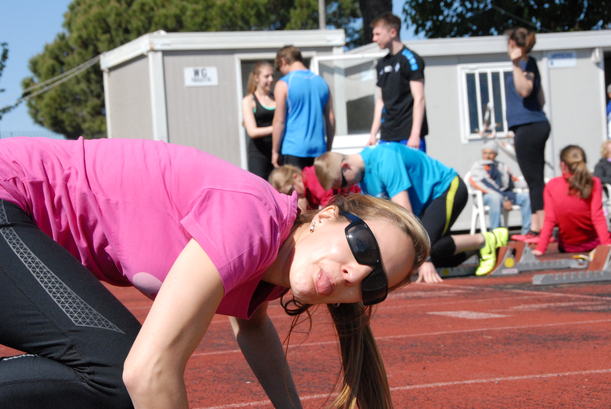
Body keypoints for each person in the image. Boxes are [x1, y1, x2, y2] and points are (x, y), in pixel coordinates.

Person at [0, 136, 430, 409]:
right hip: (8, 193)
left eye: (373, 283)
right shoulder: (253, 220)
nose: (355, 274)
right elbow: (147, 371)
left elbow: (253, 327)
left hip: (16, 224)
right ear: (327, 215)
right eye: (363, 245)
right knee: (118, 371)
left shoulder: (267, 268)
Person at [315, 144, 509, 283]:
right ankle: (475, 248)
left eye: (343, 184)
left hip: (447, 189)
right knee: (418, 253)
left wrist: (425, 258)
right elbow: (383, 219)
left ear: (346, 167)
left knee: (423, 248)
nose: (346, 189)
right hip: (425, 204)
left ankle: (486, 240)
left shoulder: (385, 159)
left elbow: (405, 212)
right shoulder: (364, 178)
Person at [504, 27, 551, 243]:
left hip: (529, 126)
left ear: (513, 44)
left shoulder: (525, 64)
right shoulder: (530, 64)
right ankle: (538, 227)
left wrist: (515, 65)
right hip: (532, 124)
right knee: (535, 179)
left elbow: (525, 91)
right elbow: (541, 99)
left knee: (533, 180)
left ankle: (540, 229)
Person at [533, 145, 610, 256]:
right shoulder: (594, 182)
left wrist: (540, 248)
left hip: (568, 247)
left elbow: (550, 219)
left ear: (562, 165)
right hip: (594, 245)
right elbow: (597, 217)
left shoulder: (551, 185)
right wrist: (606, 245)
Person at [368, 13, 428, 152]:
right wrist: (373, 134)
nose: (374, 39)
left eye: (377, 34)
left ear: (393, 33)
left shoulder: (411, 60)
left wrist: (415, 135)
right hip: (388, 135)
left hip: (408, 135)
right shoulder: (381, 64)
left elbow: (419, 98)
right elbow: (381, 101)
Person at [271, 45, 335, 169]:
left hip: (293, 149)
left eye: (279, 67)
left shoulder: (284, 84)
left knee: (294, 183)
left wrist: (275, 151)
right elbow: (330, 118)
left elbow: (279, 121)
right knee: (316, 183)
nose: (281, 71)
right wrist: (329, 146)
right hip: (319, 149)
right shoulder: (322, 82)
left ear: (283, 61)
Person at [468, 141, 531, 235]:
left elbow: (513, 181)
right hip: (485, 196)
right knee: (495, 198)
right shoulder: (478, 166)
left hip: (505, 195)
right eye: (485, 153)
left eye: (491, 153)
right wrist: (504, 199)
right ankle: (496, 233)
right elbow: (485, 186)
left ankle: (527, 232)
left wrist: (532, 184)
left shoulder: (502, 166)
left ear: (496, 154)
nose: (487, 156)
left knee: (526, 197)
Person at [268, 164, 361, 211]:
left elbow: (330, 206)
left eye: (291, 191)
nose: (293, 195)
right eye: (288, 195)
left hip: (353, 198)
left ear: (296, 177)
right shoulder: (304, 191)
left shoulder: (313, 180)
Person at [241, 61, 276, 180]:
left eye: (272, 75)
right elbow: (252, 132)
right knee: (260, 186)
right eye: (266, 76)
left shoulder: (277, 97)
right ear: (256, 78)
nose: (271, 79)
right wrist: (277, 128)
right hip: (258, 153)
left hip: (277, 150)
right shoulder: (249, 100)